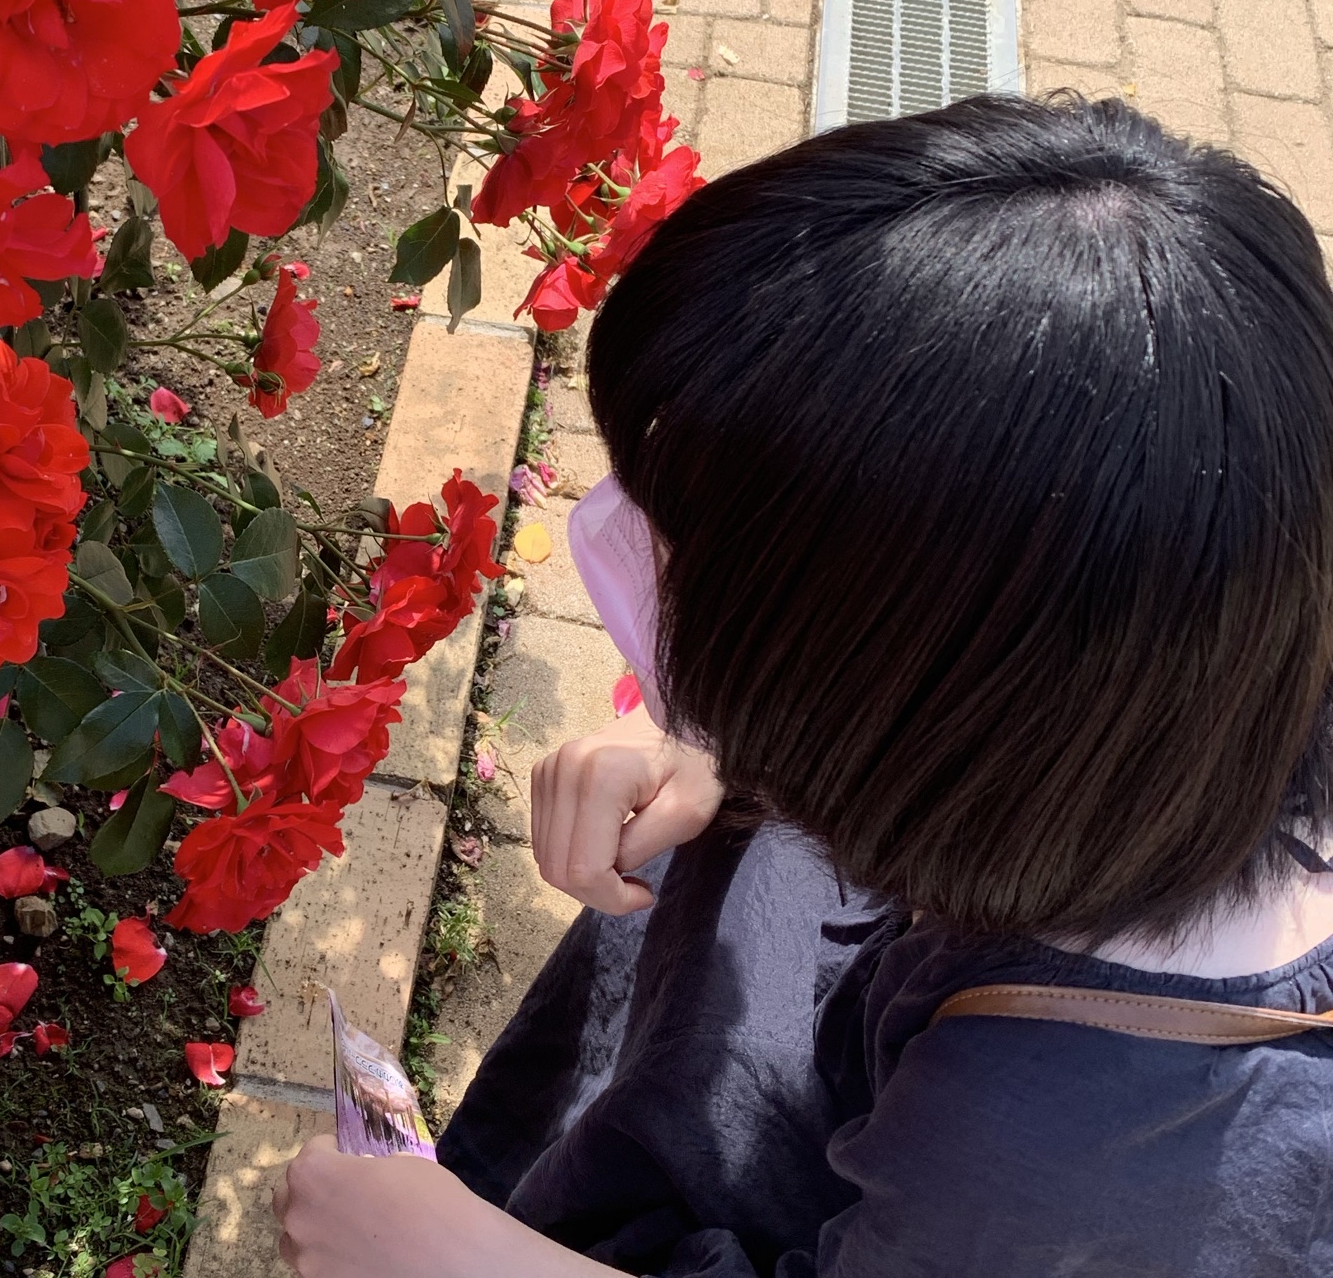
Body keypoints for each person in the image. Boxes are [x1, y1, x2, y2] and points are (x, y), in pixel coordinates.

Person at [271, 95, 1333, 1276]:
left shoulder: (1055, 1165)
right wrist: (724, 751)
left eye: (685, 556)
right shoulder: (1192, 663)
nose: (624, 544)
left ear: (889, 693)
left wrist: (458, 1261)